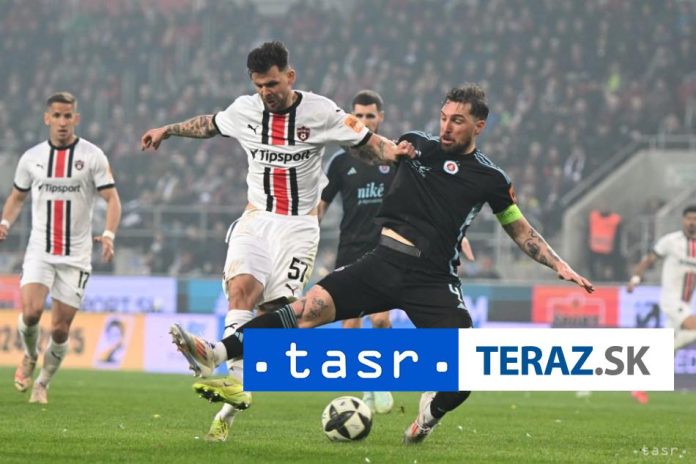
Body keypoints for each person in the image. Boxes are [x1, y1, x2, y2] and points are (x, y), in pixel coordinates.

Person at [170, 83, 593, 444]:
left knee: (465, 372)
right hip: (382, 263)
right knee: (304, 311)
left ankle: (427, 416)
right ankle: (216, 351)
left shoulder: (491, 178)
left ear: (479, 126)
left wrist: (558, 264)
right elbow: (373, 154)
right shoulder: (415, 145)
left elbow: (519, 229)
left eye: (458, 121)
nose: (446, 126)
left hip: (433, 280)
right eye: (444, 117)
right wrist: (380, 150)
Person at [140, 41, 414, 442]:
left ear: (290, 76)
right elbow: (209, 124)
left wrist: (397, 153)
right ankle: (234, 384)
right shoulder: (245, 110)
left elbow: (371, 145)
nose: (266, 92)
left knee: (276, 317)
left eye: (272, 84)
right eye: (259, 85)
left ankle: (231, 402)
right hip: (256, 218)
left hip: (298, 227)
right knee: (241, 291)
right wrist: (167, 130)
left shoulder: (320, 111)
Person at [0, 91, 122, 404]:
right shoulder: (31, 158)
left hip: (76, 255)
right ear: (47, 118)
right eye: (57, 115)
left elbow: (112, 199)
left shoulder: (92, 156)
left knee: (60, 330)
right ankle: (30, 355)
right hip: (40, 249)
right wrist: (4, 222)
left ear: (76, 118)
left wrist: (109, 234)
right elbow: (16, 197)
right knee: (31, 313)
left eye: (68, 116)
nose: (63, 122)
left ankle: (42, 383)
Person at [318, 90, 396, 414]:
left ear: (380, 118)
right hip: (349, 249)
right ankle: (368, 385)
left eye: (369, 116)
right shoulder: (340, 161)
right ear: (350, 118)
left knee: (380, 319)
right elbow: (320, 206)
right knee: (350, 326)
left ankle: (383, 379)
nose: (364, 121)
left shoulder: (392, 156)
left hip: (385, 248)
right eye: (358, 116)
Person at [626, 205, 696, 404]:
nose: (692, 222)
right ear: (683, 220)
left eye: (695, 219)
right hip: (671, 300)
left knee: (672, 346)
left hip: (685, 303)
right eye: (689, 218)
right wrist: (635, 279)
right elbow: (649, 260)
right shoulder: (671, 241)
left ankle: (639, 386)